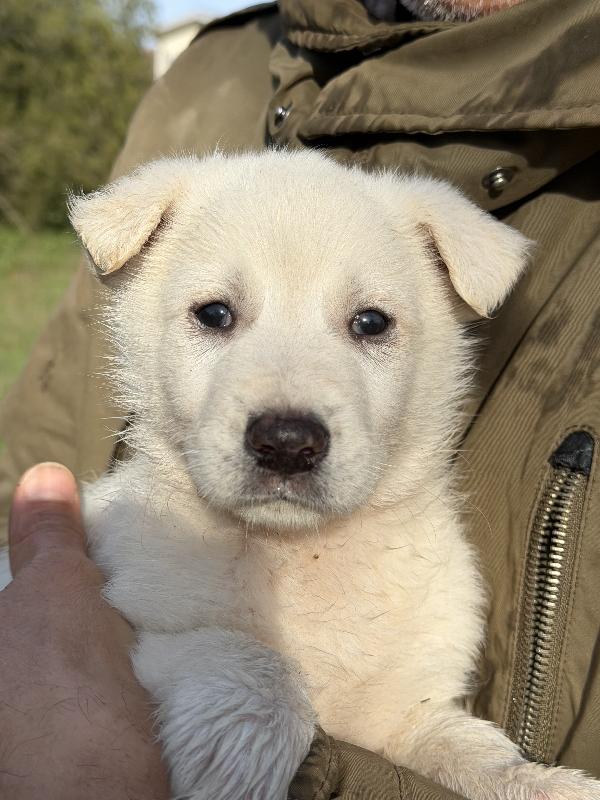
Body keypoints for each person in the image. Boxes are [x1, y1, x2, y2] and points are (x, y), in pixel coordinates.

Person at [0, 0, 598, 797]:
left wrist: (502, 777)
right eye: (215, 315)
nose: (288, 419)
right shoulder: (137, 535)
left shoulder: (434, 587)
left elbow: (409, 726)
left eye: (369, 324)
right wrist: (237, 687)